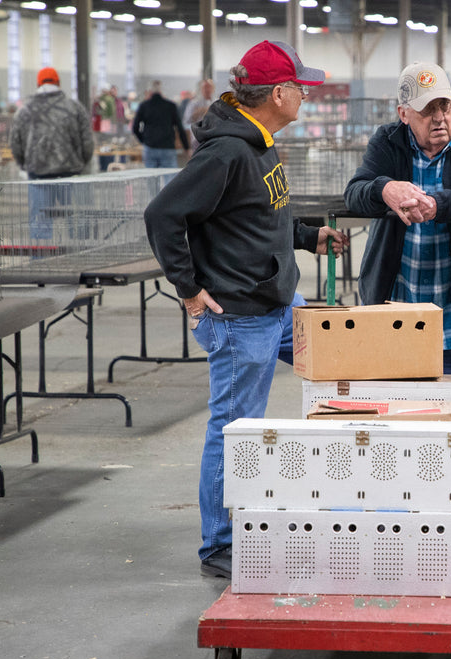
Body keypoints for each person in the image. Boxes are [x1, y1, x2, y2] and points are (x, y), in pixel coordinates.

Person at [144, 40, 348, 579]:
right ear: (278, 93)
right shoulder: (228, 152)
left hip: (278, 305)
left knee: (341, 367)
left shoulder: (259, 141)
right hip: (241, 316)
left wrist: (307, 236)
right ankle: (219, 544)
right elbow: (164, 214)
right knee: (235, 427)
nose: (305, 95)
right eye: (299, 88)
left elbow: (256, 218)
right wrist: (188, 290)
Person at [344, 62, 451, 376]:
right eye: (426, 109)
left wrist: (436, 204)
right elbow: (354, 192)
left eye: (445, 106)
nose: (439, 118)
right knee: (395, 409)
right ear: (403, 114)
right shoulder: (388, 140)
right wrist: (384, 188)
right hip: (394, 305)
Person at [10, 66, 94, 239]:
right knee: (77, 224)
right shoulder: (74, 107)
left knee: (41, 225)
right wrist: (83, 164)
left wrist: (24, 165)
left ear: (38, 84)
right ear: (58, 83)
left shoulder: (24, 111)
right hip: (71, 175)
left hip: (38, 175)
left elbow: (15, 143)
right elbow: (87, 142)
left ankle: (40, 263)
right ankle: (80, 261)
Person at [132, 80, 189, 168]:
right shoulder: (171, 106)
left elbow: (135, 127)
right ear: (161, 91)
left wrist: (144, 140)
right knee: (169, 178)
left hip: (150, 147)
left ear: (150, 92)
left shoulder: (144, 106)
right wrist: (186, 147)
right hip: (167, 147)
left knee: (151, 179)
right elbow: (179, 128)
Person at [183, 79, 215, 152]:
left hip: (214, 140)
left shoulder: (217, 103)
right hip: (198, 140)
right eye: (205, 87)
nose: (207, 89)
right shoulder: (194, 103)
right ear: (201, 89)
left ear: (213, 89)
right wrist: (199, 111)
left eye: (209, 87)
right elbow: (187, 120)